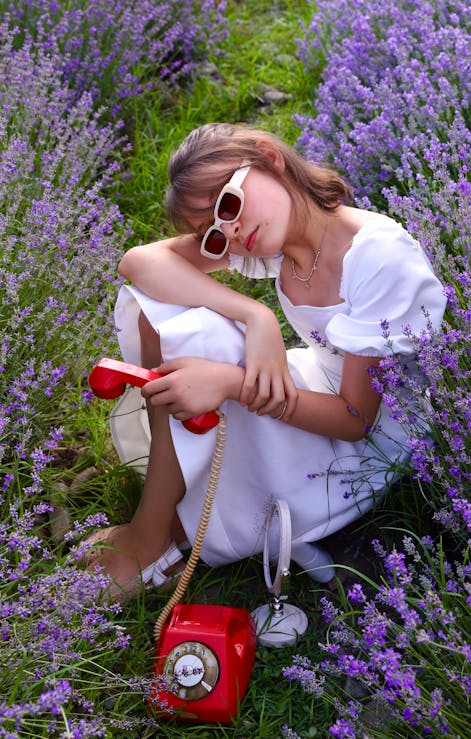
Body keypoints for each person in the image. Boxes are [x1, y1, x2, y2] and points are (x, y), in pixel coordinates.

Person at [86, 122, 447, 601]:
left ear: (268, 159)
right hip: (318, 385)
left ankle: (155, 541)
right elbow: (138, 263)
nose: (231, 232)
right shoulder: (282, 247)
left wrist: (232, 384)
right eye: (213, 236)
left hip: (370, 441)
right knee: (173, 319)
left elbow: (358, 420)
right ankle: (154, 530)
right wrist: (256, 316)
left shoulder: (378, 259)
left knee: (202, 349)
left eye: (228, 204)